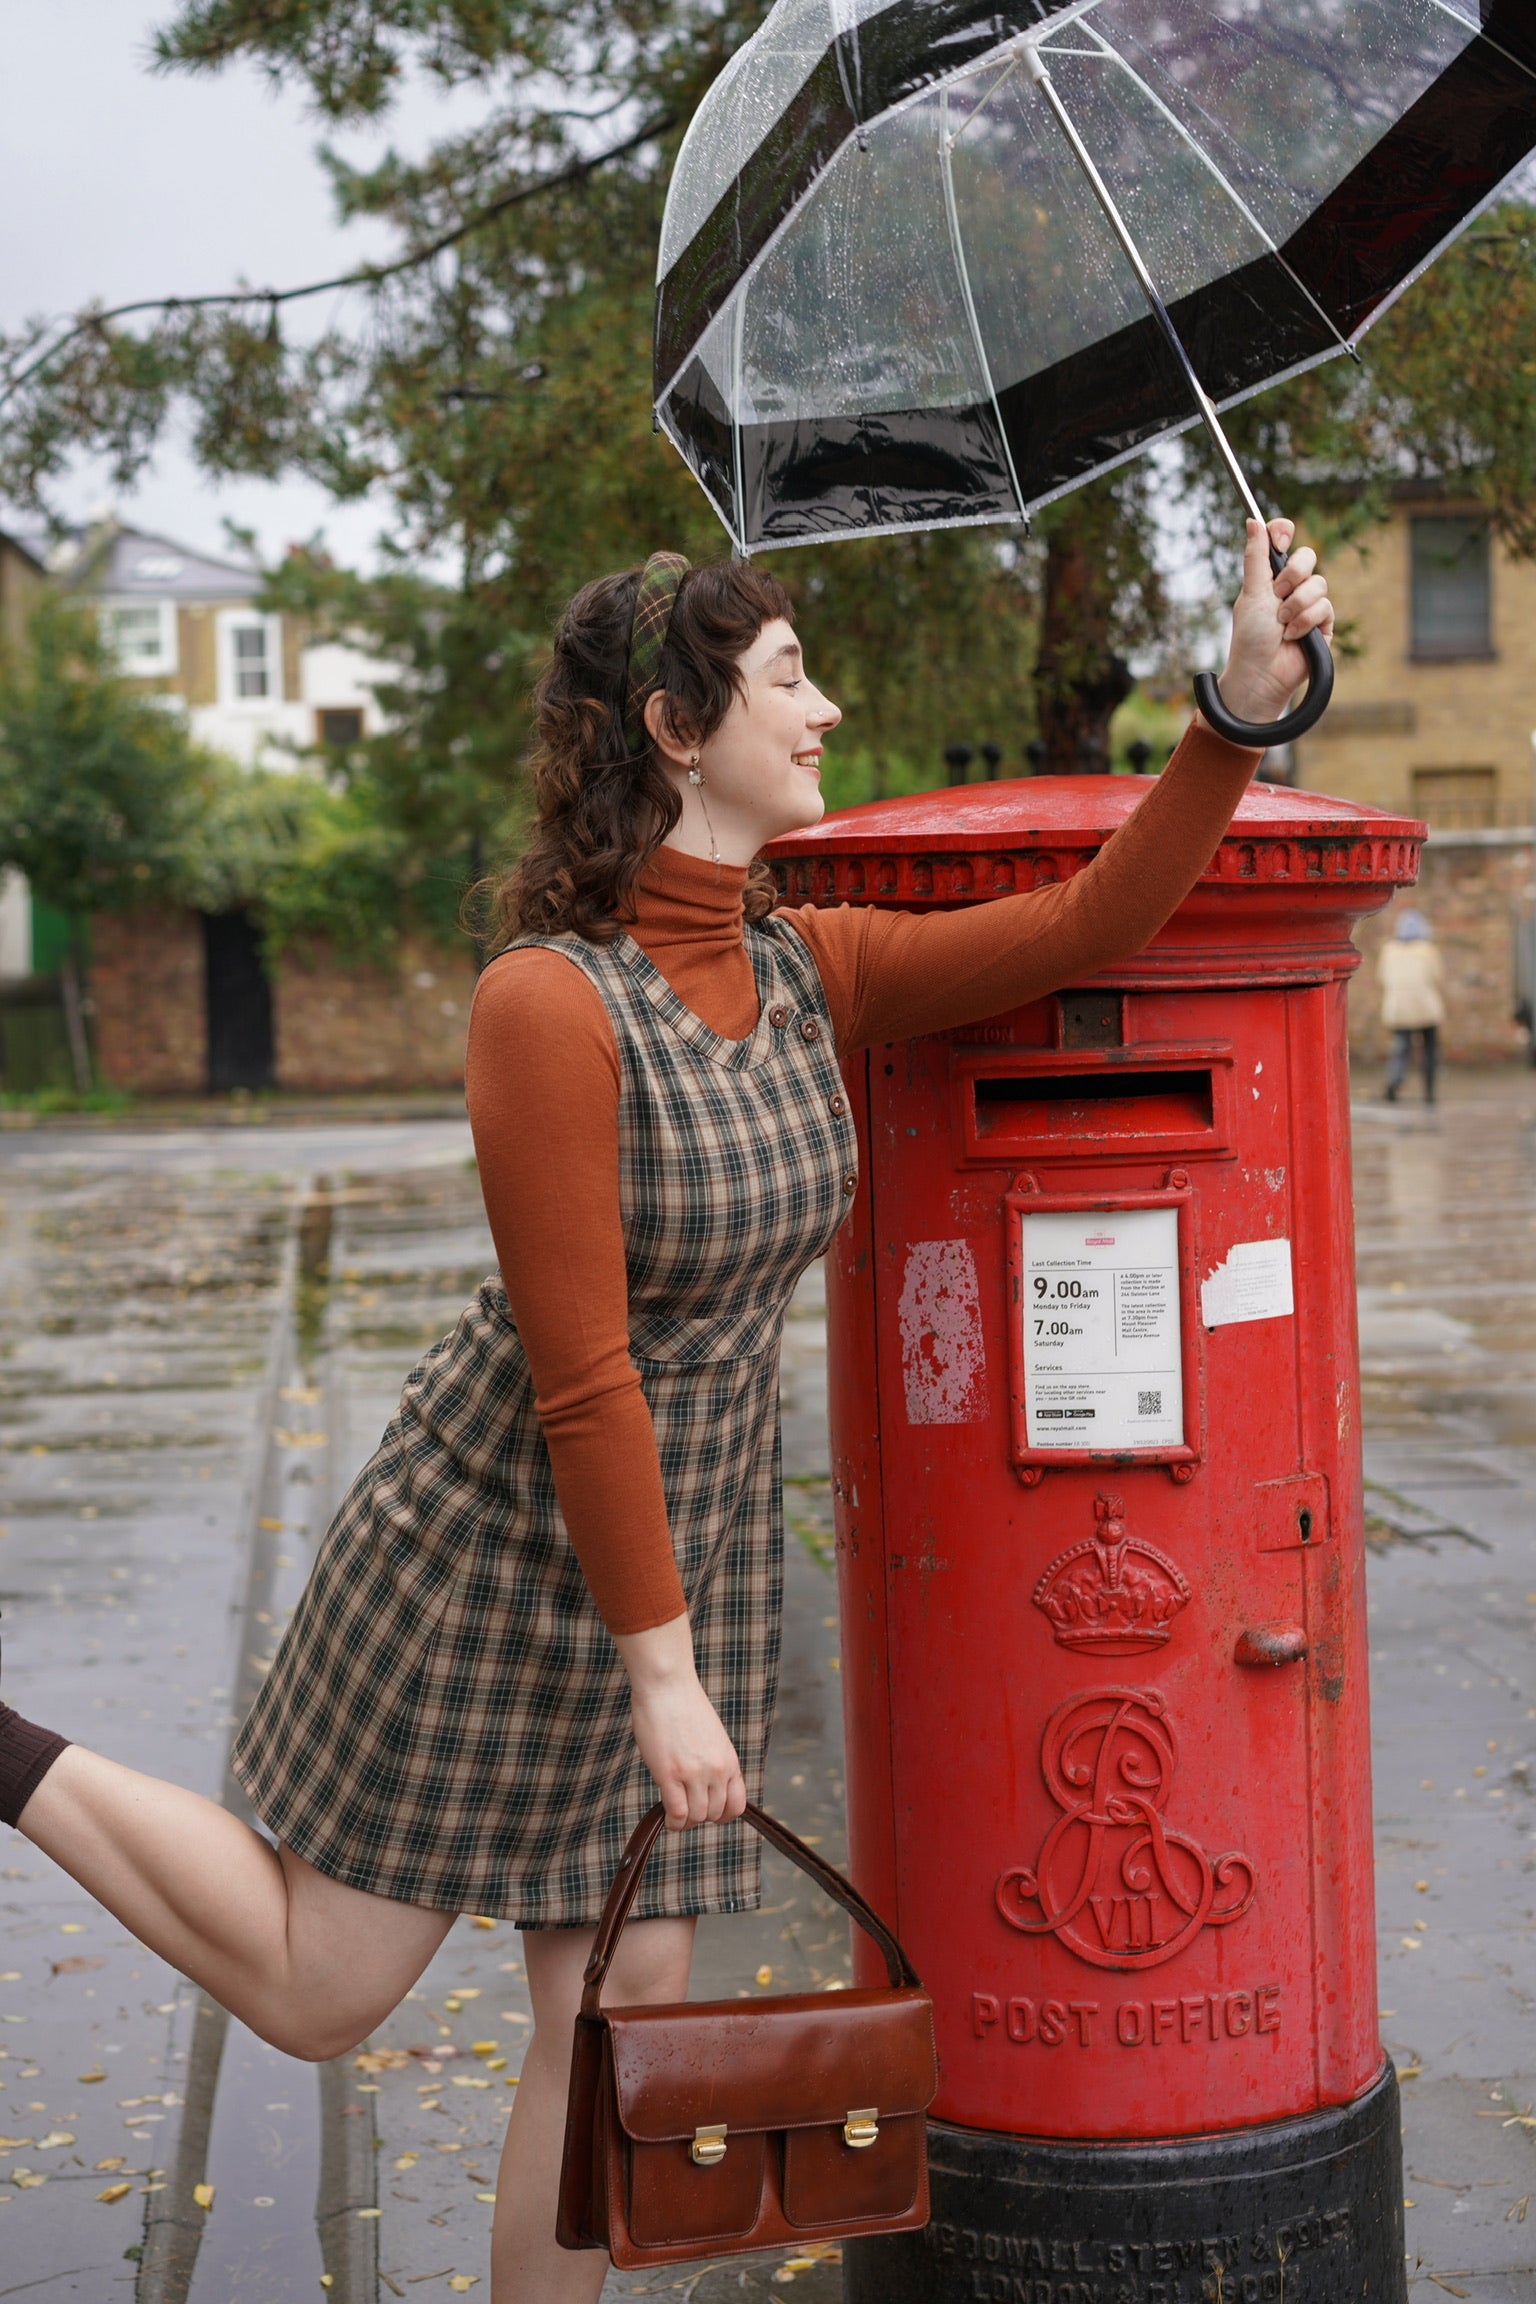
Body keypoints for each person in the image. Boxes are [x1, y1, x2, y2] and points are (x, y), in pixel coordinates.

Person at [0, 518, 1331, 2303]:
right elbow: (583, 1372)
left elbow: (1091, 919)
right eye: (790, 676)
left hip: (670, 1555)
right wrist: (666, 1669)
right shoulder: (546, 1008)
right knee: (320, 1987)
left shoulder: (805, 969)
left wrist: (1234, 713)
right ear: (675, 725)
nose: (830, 704)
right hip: (494, 1556)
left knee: (623, 2017)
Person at [1379, 908, 1445, 1104]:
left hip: (1398, 1007)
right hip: (1425, 1006)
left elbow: (1382, 977)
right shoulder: (1427, 950)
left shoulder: (1389, 950)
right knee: (1430, 1049)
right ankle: (1429, 1090)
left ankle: (1394, 1082)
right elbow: (1437, 976)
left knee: (1400, 1049)